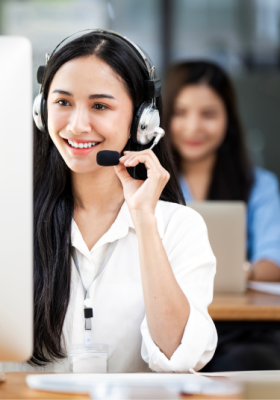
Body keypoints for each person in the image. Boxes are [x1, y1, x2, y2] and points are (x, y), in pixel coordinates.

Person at [0, 32, 217, 373]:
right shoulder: (11, 222)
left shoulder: (179, 227)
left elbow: (179, 357)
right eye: (62, 102)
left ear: (143, 121)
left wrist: (144, 218)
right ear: (41, 111)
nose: (77, 125)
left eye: (100, 106)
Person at [164, 60, 280, 371]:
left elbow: (275, 258)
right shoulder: (147, 183)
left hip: (239, 329)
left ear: (228, 119)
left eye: (208, 114)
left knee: (250, 361)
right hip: (169, 321)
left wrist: (247, 271)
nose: (193, 127)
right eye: (180, 112)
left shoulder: (259, 185)